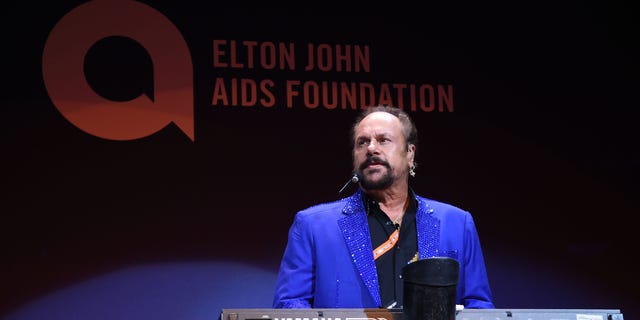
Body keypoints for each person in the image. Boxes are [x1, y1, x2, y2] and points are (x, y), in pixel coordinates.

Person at [272, 105, 494, 309]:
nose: (371, 148)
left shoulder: (457, 223)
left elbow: (479, 307)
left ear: (410, 154)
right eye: (362, 142)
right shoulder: (313, 227)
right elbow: (289, 305)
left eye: (383, 140)